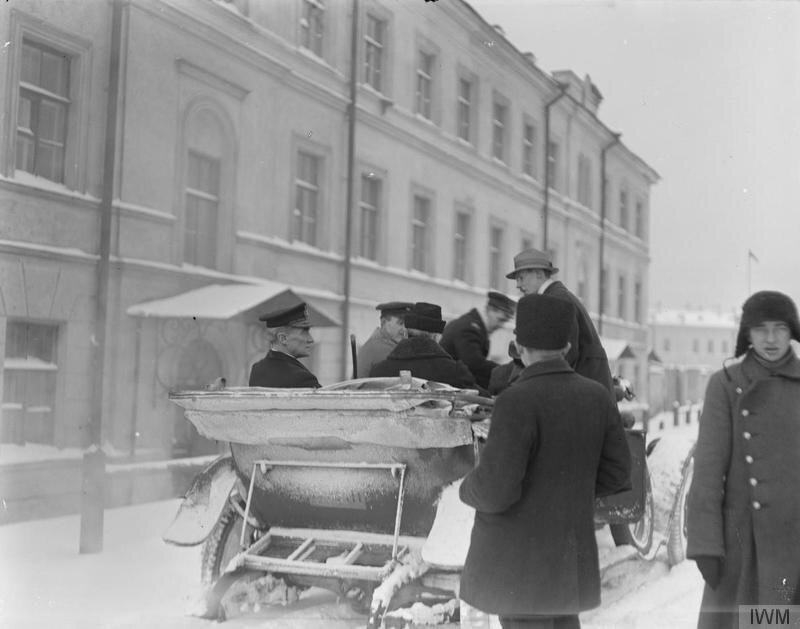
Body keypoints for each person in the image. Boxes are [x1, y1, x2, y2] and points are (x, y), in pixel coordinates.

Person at [459, 294, 631, 629]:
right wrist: (569, 491)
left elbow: (496, 490)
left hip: (519, 570)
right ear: (567, 346)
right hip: (569, 563)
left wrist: (466, 489)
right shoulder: (597, 396)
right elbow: (618, 473)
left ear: (519, 346)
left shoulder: (515, 401)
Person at [687, 290, 800, 629]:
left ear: (791, 332)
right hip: (743, 547)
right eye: (760, 328)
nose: (769, 338)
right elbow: (708, 471)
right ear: (746, 333)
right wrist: (706, 543)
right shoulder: (725, 385)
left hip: (793, 544)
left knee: (778, 622)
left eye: (779, 328)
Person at [506, 248, 614, 394]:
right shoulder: (555, 296)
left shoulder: (555, 300)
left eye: (521, 278)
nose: (518, 285)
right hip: (589, 387)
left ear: (538, 274)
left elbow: (566, 353)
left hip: (587, 390)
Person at [369, 302, 481, 391]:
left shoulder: (379, 371)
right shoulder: (454, 372)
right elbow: (480, 398)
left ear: (406, 332)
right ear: (437, 337)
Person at [440, 291, 516, 390]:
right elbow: (474, 364)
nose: (501, 325)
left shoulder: (473, 325)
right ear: (490, 310)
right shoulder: (469, 328)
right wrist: (506, 372)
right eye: (500, 320)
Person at [249, 302, 321, 388]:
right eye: (304, 332)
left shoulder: (257, 369)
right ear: (283, 338)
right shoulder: (302, 378)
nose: (311, 339)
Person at [356, 301, 413, 378]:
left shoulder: (390, 345)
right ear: (383, 322)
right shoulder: (378, 348)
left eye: (407, 325)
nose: (405, 329)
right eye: (400, 323)